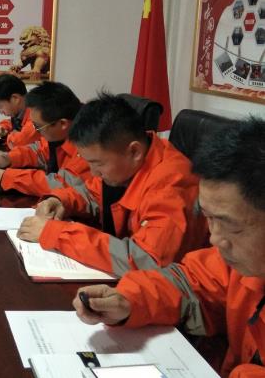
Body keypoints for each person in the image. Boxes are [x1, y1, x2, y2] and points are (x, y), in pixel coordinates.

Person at [73, 117, 265, 378]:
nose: (214, 238)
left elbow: (148, 257)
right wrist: (128, 300)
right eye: (209, 218)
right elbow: (190, 282)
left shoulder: (170, 179)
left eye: (231, 226)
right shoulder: (242, 261)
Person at [17, 93, 207, 276]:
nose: (93, 173)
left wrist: (56, 234)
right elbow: (93, 193)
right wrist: (60, 201)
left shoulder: (171, 186)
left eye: (98, 164)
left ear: (134, 151)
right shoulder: (129, 162)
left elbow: (147, 260)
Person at [0, 81, 90, 195]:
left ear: (63, 124)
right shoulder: (60, 131)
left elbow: (61, 184)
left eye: (37, 126)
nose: (35, 131)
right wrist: (8, 158)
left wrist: (5, 176)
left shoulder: (89, 144)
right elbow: (40, 151)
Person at [0, 73, 37, 149]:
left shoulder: (36, 117)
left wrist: (6, 136)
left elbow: (19, 142)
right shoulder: (20, 113)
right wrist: (2, 127)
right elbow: (11, 122)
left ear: (15, 99)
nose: (0, 112)